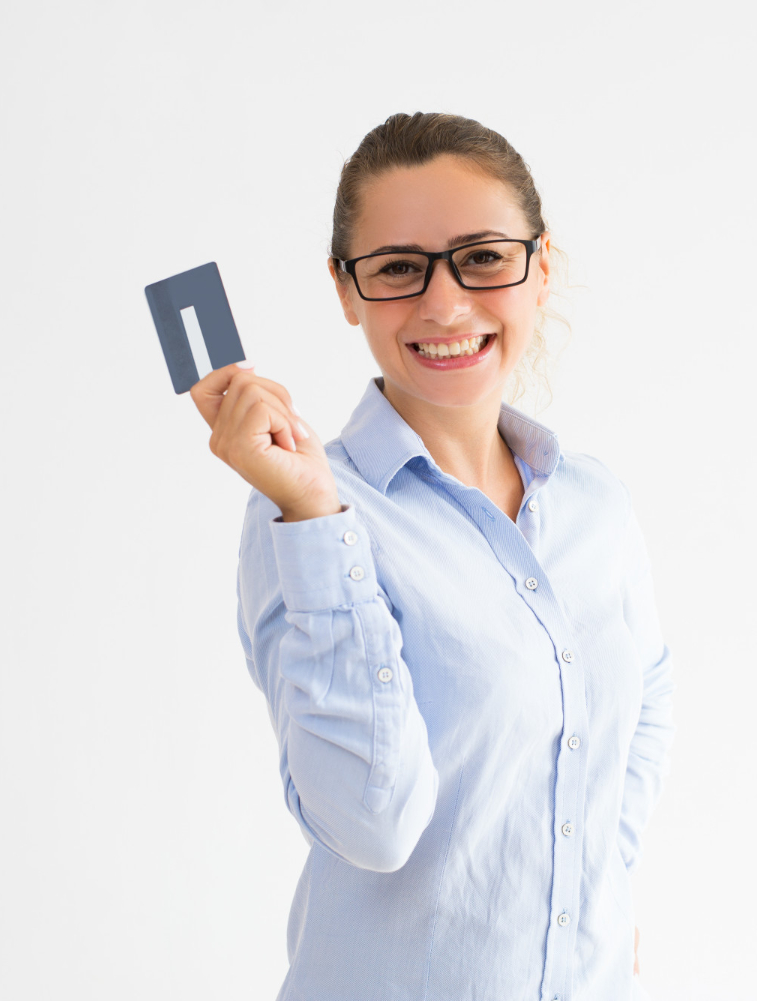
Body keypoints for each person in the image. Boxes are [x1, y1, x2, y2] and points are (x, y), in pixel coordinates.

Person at [190, 112, 675, 1000]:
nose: (446, 304)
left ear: (542, 265)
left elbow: (643, 706)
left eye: (484, 256)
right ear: (346, 290)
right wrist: (311, 510)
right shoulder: (306, 517)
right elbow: (371, 822)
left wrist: (591, 892)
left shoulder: (594, 506)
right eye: (399, 269)